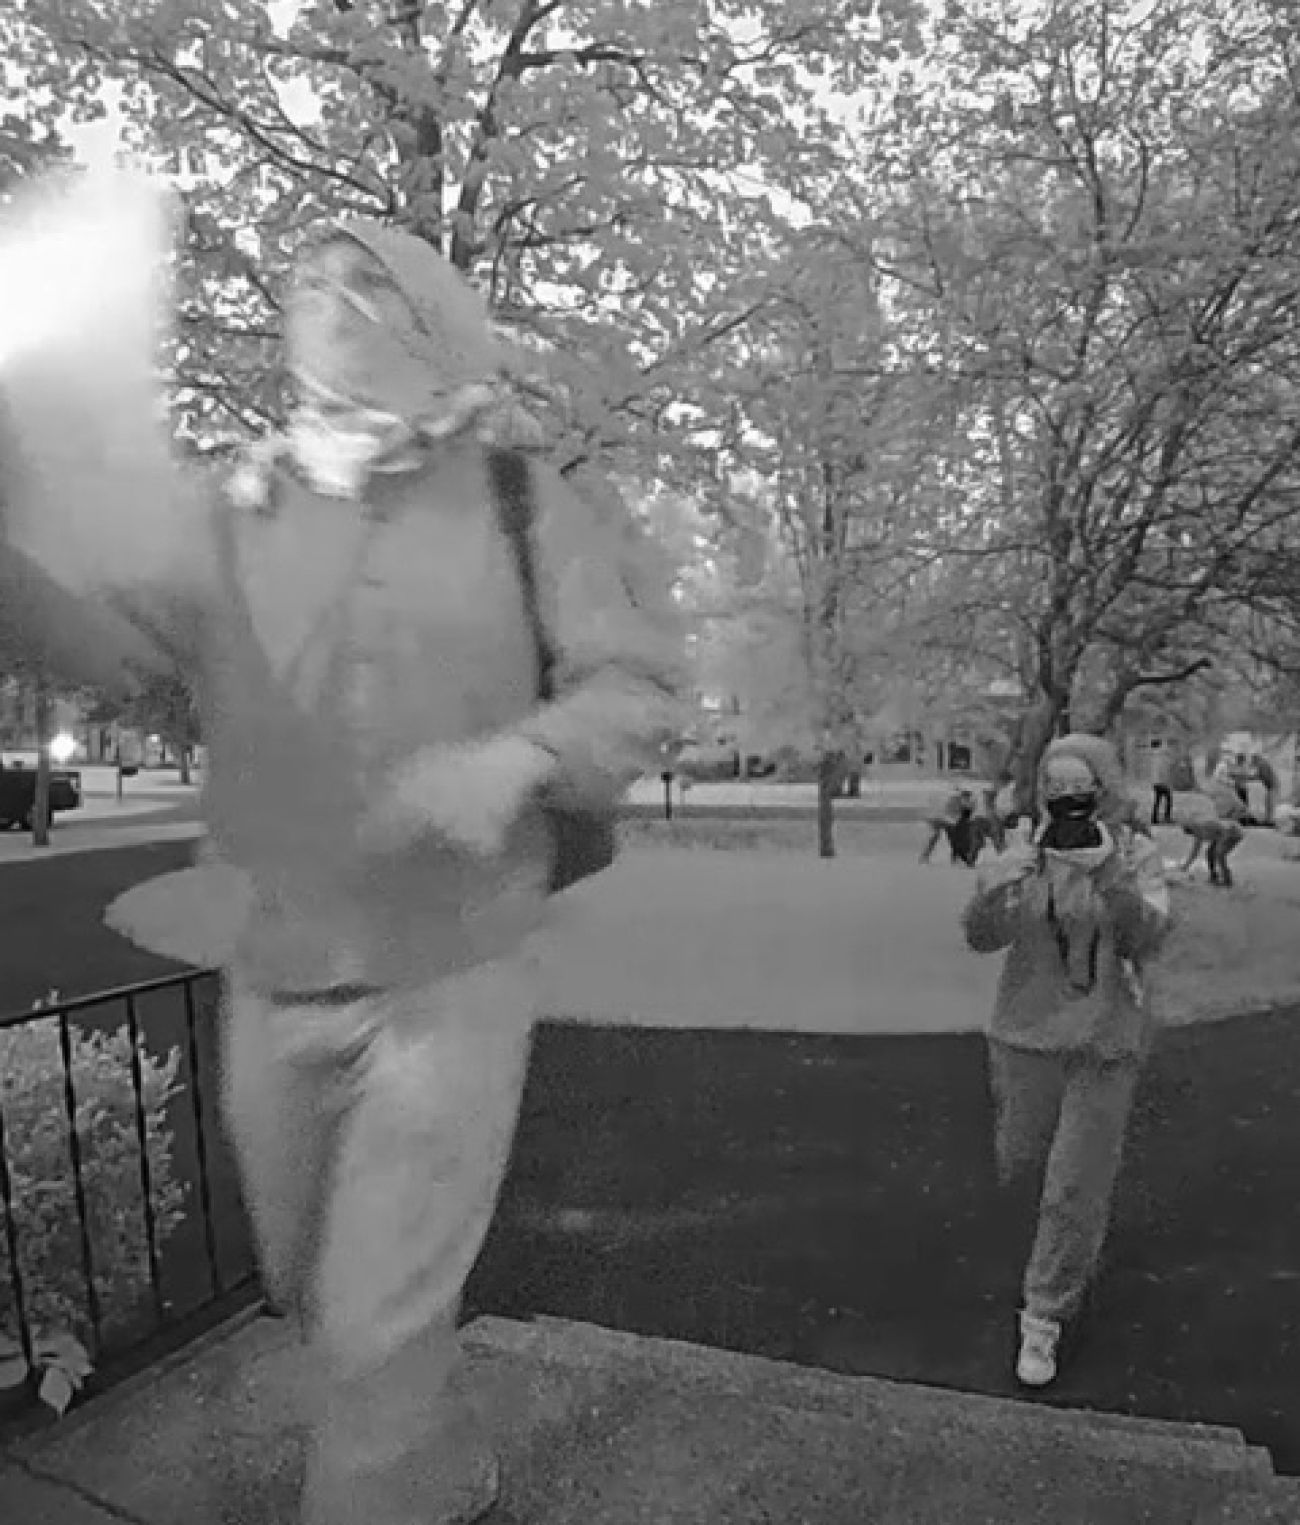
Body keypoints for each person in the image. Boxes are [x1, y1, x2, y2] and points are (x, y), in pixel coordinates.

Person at [0, 219, 685, 1525]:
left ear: (435, 322)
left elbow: (637, 686)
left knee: (374, 1327)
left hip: (451, 977)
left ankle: (383, 1461)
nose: (329, 299)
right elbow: (82, 623)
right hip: (276, 971)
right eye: (306, 279)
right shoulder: (234, 504)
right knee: (313, 1285)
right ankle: (422, 1452)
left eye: (367, 280)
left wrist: (521, 757)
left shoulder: (518, 497)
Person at [962, 734, 1170, 1389]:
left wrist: (1109, 874)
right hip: (1023, 1038)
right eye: (1055, 788)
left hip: (1103, 1043)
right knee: (1021, 1167)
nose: (1067, 800)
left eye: (1081, 787)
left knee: (1072, 1185)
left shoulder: (1136, 854)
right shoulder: (1023, 848)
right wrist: (989, 888)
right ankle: (1067, 1256)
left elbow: (1148, 939)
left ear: (1104, 790)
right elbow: (981, 938)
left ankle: (1046, 1314)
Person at [1149, 745, 1173, 826]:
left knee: (1157, 800)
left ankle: (1154, 818)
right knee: (1169, 799)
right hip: (1161, 782)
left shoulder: (1153, 757)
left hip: (1155, 782)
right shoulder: (1161, 758)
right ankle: (1166, 817)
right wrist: (1166, 782)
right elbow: (1163, 771)